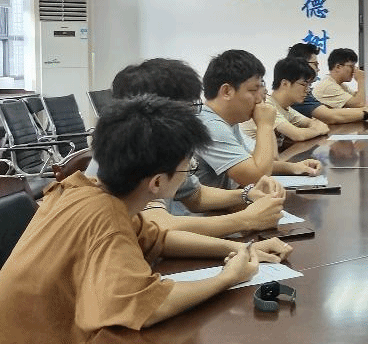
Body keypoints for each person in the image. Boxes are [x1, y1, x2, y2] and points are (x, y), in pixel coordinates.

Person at [0, 96, 293, 344]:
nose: (189, 174)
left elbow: (157, 237)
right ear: (157, 183)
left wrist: (239, 249)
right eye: (187, 169)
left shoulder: (82, 191)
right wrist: (227, 278)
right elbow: (147, 305)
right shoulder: (104, 220)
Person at [109, 58, 286, 236]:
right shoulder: (130, 155)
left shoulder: (158, 146)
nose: (193, 116)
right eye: (187, 108)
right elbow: (157, 226)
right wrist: (247, 219)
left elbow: (194, 194)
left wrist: (247, 194)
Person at [196, 49, 321, 189]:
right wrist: (265, 125)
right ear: (227, 91)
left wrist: (293, 167)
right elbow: (256, 177)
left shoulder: (227, 121)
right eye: (253, 90)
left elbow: (251, 162)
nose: (259, 98)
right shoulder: (210, 126)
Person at [242, 57, 330, 144]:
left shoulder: (286, 108)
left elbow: (315, 123)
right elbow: (298, 135)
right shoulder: (267, 105)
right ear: (285, 83)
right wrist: (318, 130)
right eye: (304, 84)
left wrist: (316, 128)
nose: (307, 90)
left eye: (309, 85)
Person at [311, 47, 368, 123]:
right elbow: (360, 104)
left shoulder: (340, 84)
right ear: (338, 67)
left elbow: (359, 100)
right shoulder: (328, 86)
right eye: (351, 66)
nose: (354, 70)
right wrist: (361, 80)